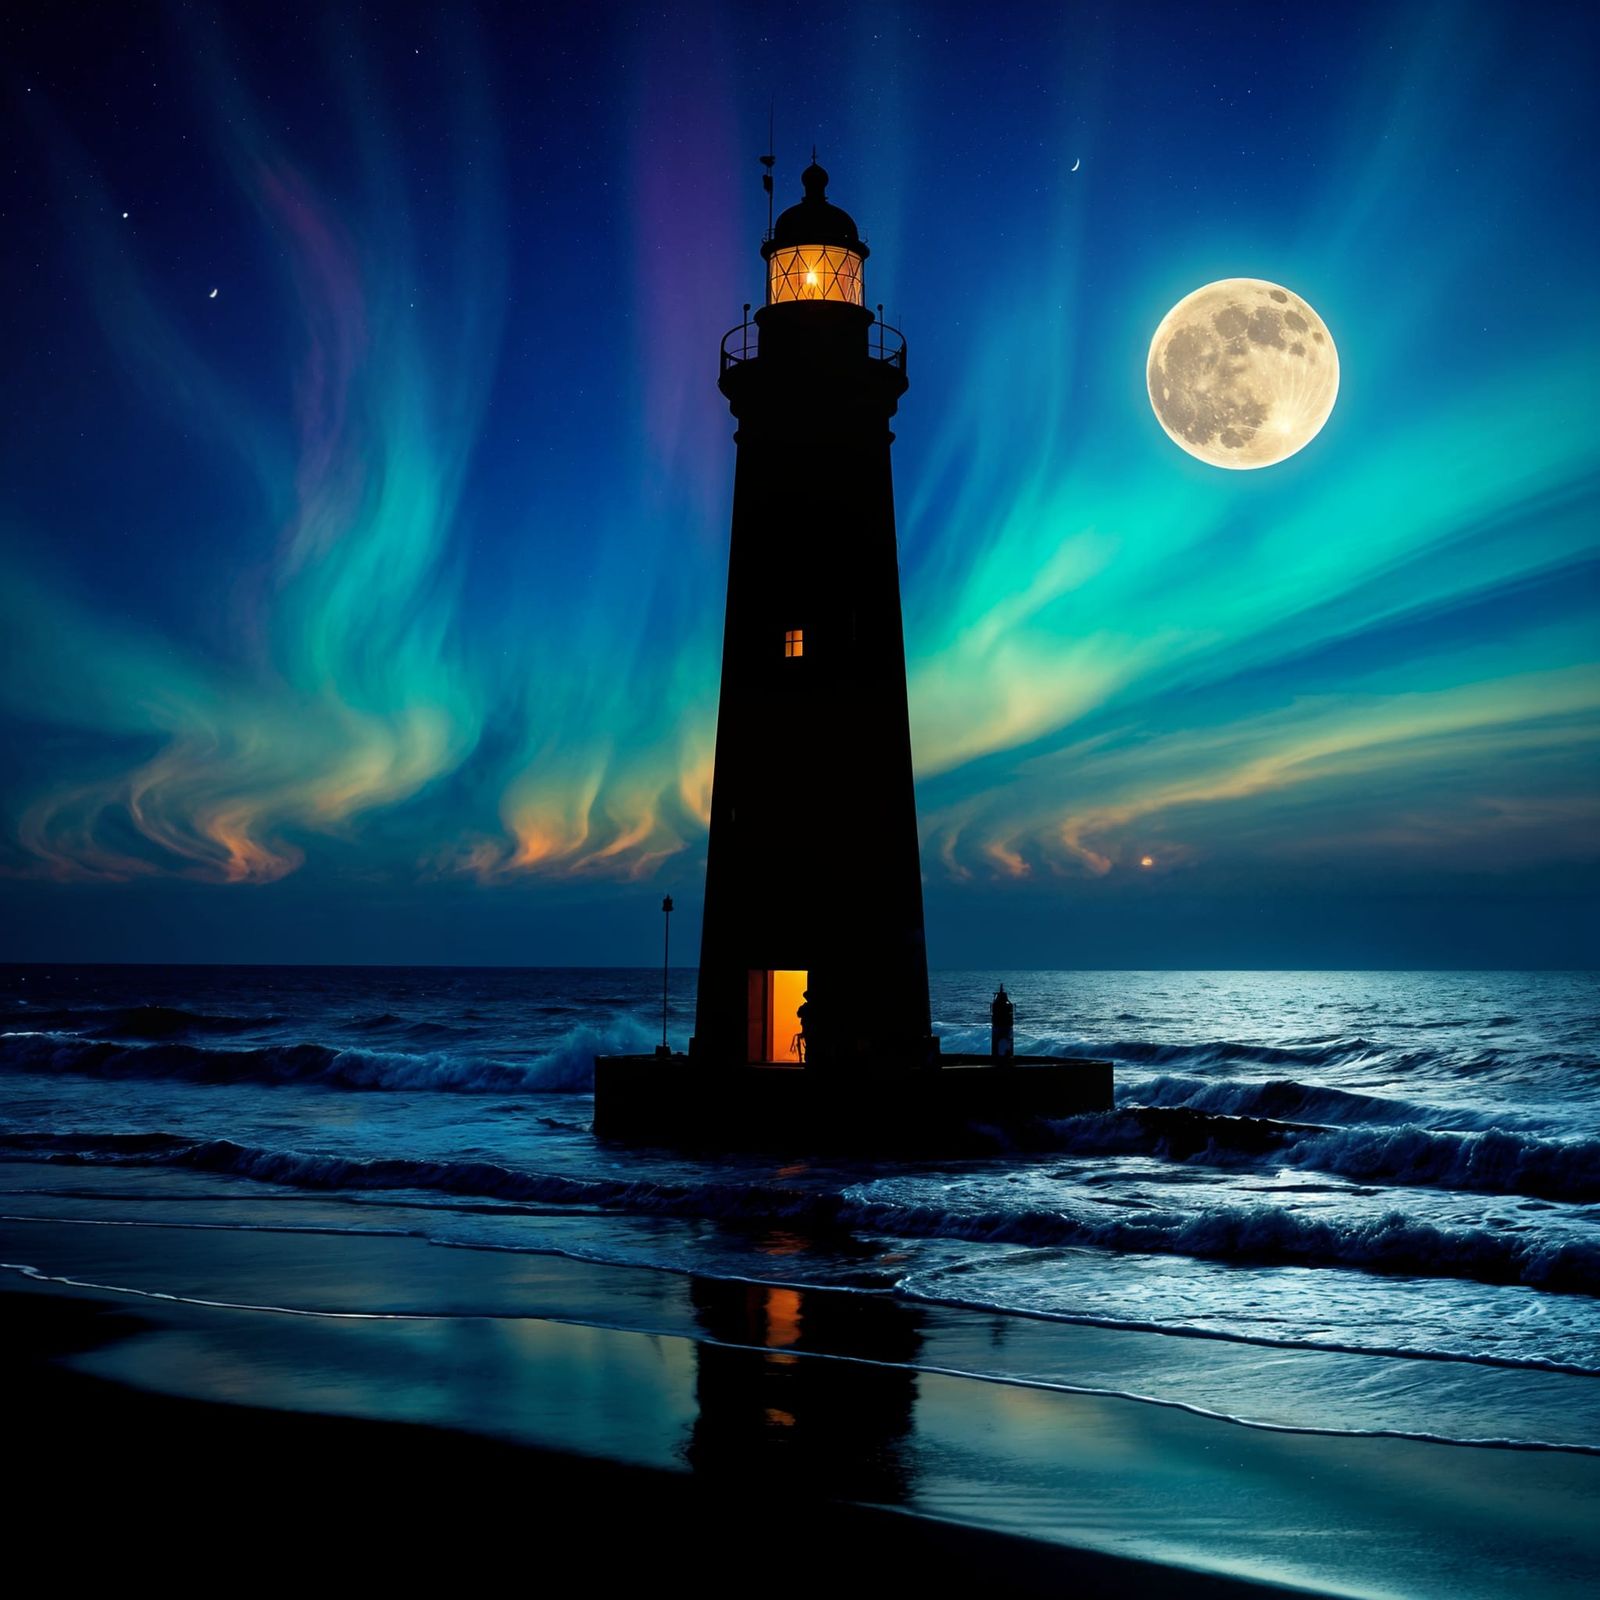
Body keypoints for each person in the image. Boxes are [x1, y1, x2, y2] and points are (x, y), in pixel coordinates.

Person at [795, 989, 811, 1063]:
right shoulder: (805, 1007)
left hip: (807, 1028)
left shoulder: (804, 1007)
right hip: (807, 1028)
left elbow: (799, 1014)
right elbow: (799, 1014)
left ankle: (807, 1058)